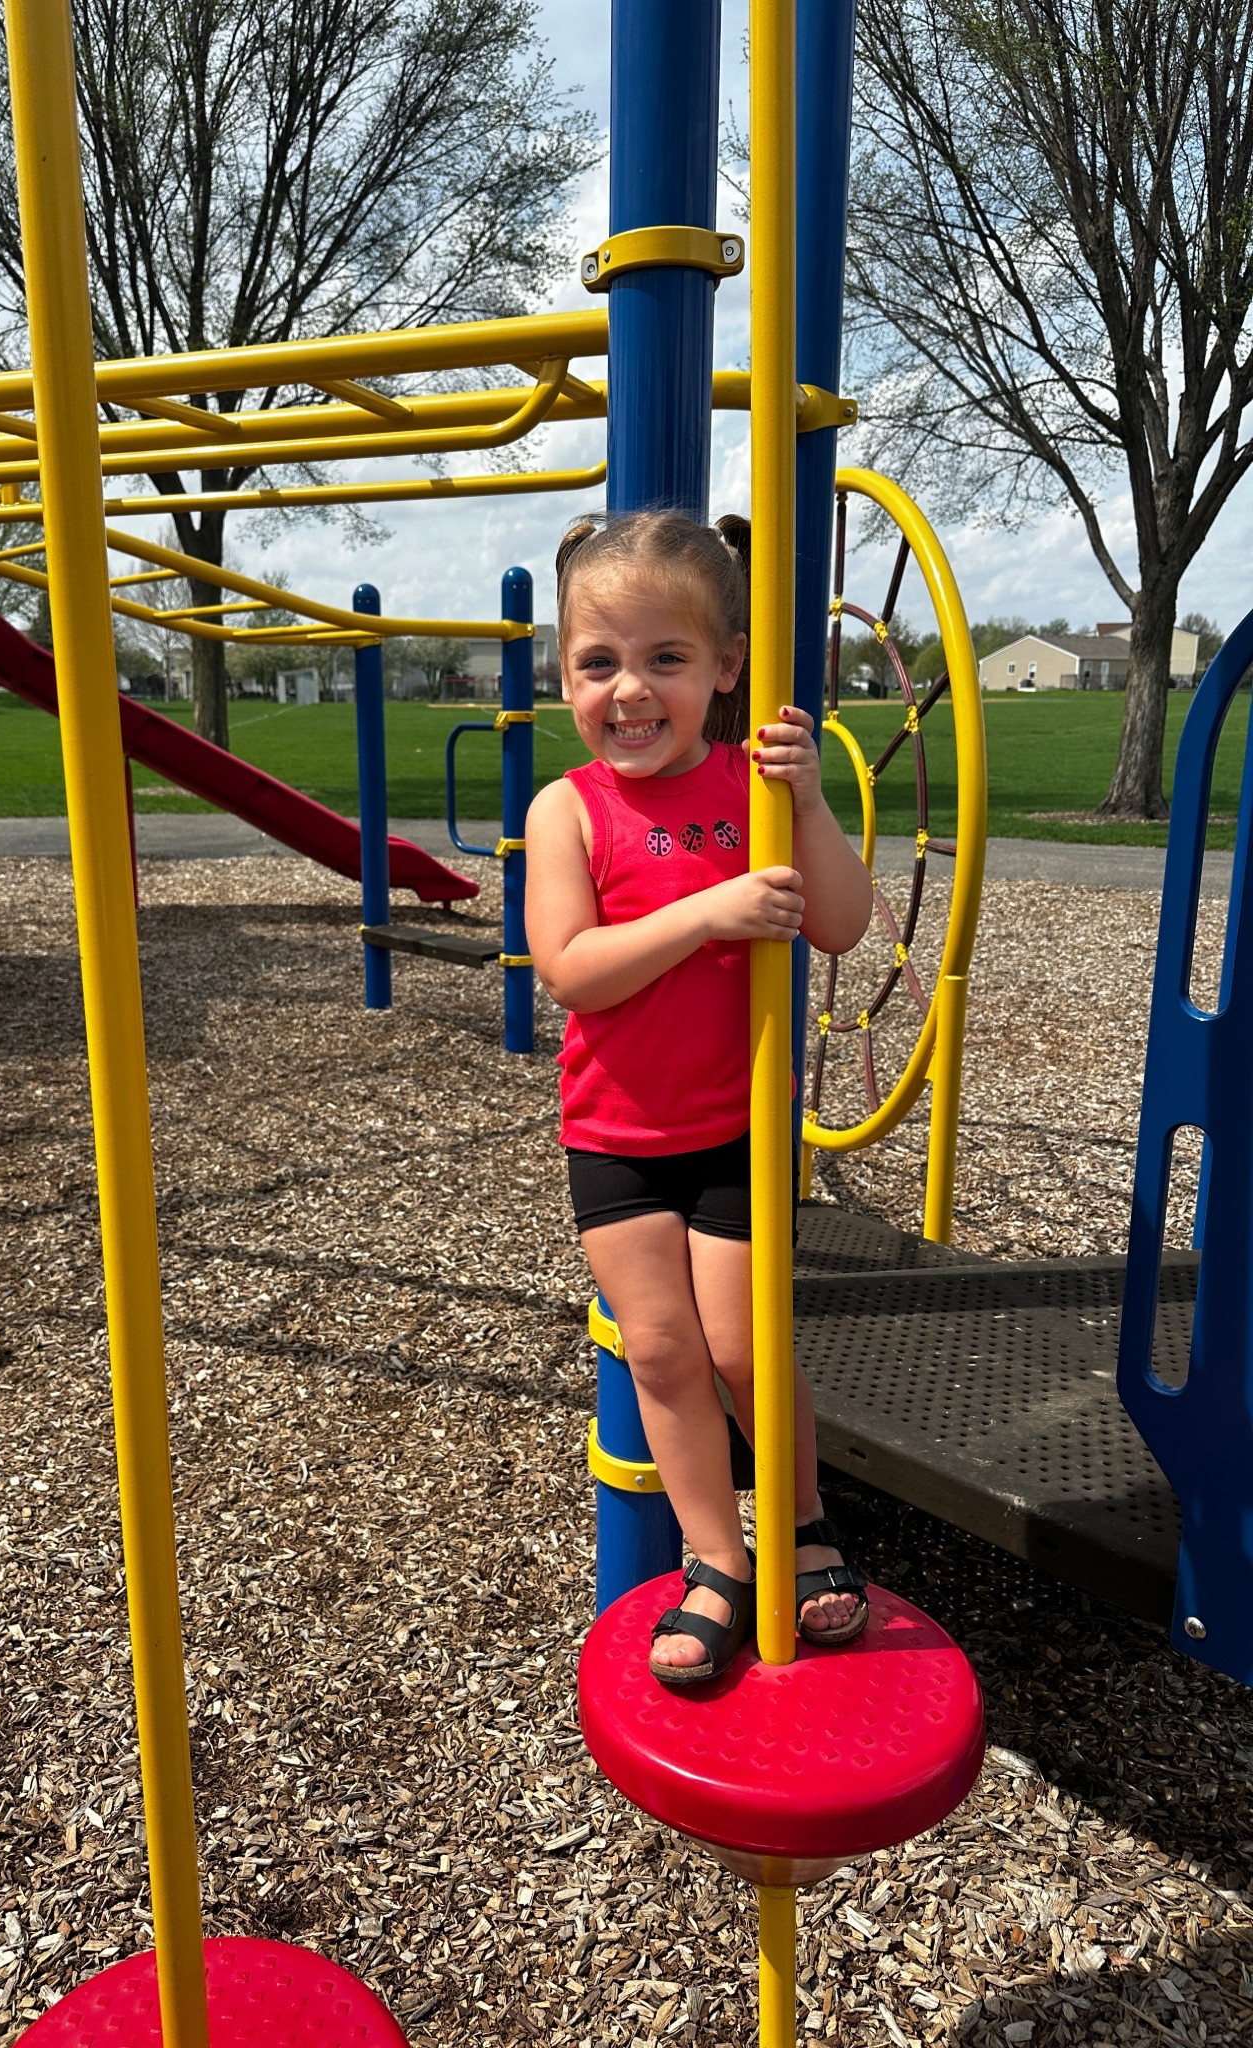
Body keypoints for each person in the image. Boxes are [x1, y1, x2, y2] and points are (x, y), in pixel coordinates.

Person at [525, 510, 875, 1686]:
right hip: (615, 1137)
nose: (630, 690)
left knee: (739, 1341)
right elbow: (573, 968)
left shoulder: (750, 789)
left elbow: (837, 923)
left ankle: (803, 1518)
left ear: (725, 667)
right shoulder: (567, 811)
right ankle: (715, 1556)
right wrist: (703, 915)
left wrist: (812, 806)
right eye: (599, 662)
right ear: (564, 673)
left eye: (665, 659)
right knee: (664, 1353)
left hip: (733, 1126)